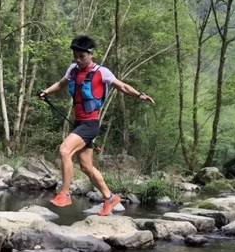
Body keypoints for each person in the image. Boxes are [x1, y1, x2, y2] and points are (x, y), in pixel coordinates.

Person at [39, 35, 155, 215]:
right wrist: (46, 92)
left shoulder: (102, 72)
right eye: (75, 56)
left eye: (82, 56)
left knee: (64, 150)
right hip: (79, 123)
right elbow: (61, 84)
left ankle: (65, 193)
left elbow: (122, 86)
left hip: (90, 124)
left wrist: (139, 95)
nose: (78, 60)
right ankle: (110, 198)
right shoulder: (73, 70)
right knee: (86, 166)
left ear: (91, 54)